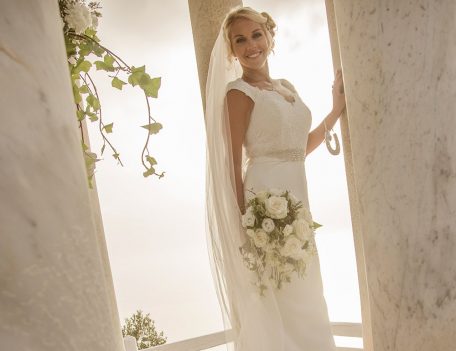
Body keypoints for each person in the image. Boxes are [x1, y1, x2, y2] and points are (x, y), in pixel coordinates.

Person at [204, 6, 346, 351]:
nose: (251, 45)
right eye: (240, 40)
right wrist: (244, 221)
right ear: (232, 50)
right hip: (264, 203)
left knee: (308, 287)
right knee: (284, 292)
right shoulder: (237, 94)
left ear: (270, 36)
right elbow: (230, 164)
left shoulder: (286, 86)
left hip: (297, 197)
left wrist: (336, 110)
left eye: (256, 35)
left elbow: (299, 148)